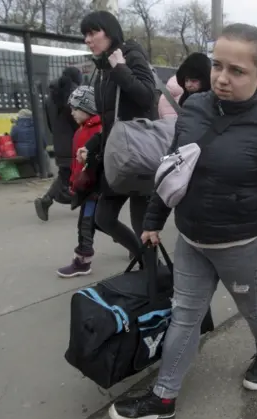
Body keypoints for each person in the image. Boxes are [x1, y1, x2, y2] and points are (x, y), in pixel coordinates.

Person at [107, 23, 257, 419]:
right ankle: (164, 400)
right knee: (184, 315)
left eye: (237, 70)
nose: (222, 78)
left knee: (252, 308)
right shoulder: (194, 108)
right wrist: (155, 219)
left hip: (244, 244)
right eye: (217, 66)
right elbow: (173, 169)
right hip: (192, 238)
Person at [76, 10, 156, 260]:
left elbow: (146, 97)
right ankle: (143, 260)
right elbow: (110, 119)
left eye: (92, 33)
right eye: (85, 35)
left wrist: (120, 68)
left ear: (109, 32)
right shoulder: (101, 69)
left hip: (139, 154)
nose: (88, 40)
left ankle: (155, 283)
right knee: (104, 218)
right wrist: (91, 144)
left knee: (143, 226)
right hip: (116, 155)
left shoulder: (131, 55)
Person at [57, 86, 102, 277]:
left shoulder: (97, 131)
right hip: (85, 187)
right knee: (97, 223)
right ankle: (134, 245)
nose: (73, 112)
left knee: (86, 223)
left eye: (76, 108)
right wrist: (73, 180)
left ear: (89, 108)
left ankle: (83, 261)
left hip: (92, 189)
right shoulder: (83, 129)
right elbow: (77, 162)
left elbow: (95, 162)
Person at [34, 67, 82, 221]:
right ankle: (47, 201)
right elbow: (77, 121)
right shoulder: (73, 95)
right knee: (70, 174)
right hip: (74, 142)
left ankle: (52, 200)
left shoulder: (50, 97)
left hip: (60, 142)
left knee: (65, 174)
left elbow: (49, 122)